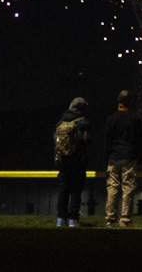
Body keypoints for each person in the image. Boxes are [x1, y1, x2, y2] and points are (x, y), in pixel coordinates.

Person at [103, 90, 142, 227]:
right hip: (129, 157)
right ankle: (125, 218)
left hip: (114, 157)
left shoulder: (111, 118)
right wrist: (139, 159)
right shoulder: (135, 118)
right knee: (128, 187)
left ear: (118, 101)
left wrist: (107, 156)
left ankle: (110, 218)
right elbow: (140, 141)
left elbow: (107, 140)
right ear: (130, 102)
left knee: (112, 187)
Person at [53, 97, 91, 227]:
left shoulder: (60, 123)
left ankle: (60, 218)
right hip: (78, 161)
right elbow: (87, 141)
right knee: (76, 190)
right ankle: (72, 219)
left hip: (63, 162)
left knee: (63, 189)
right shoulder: (83, 122)